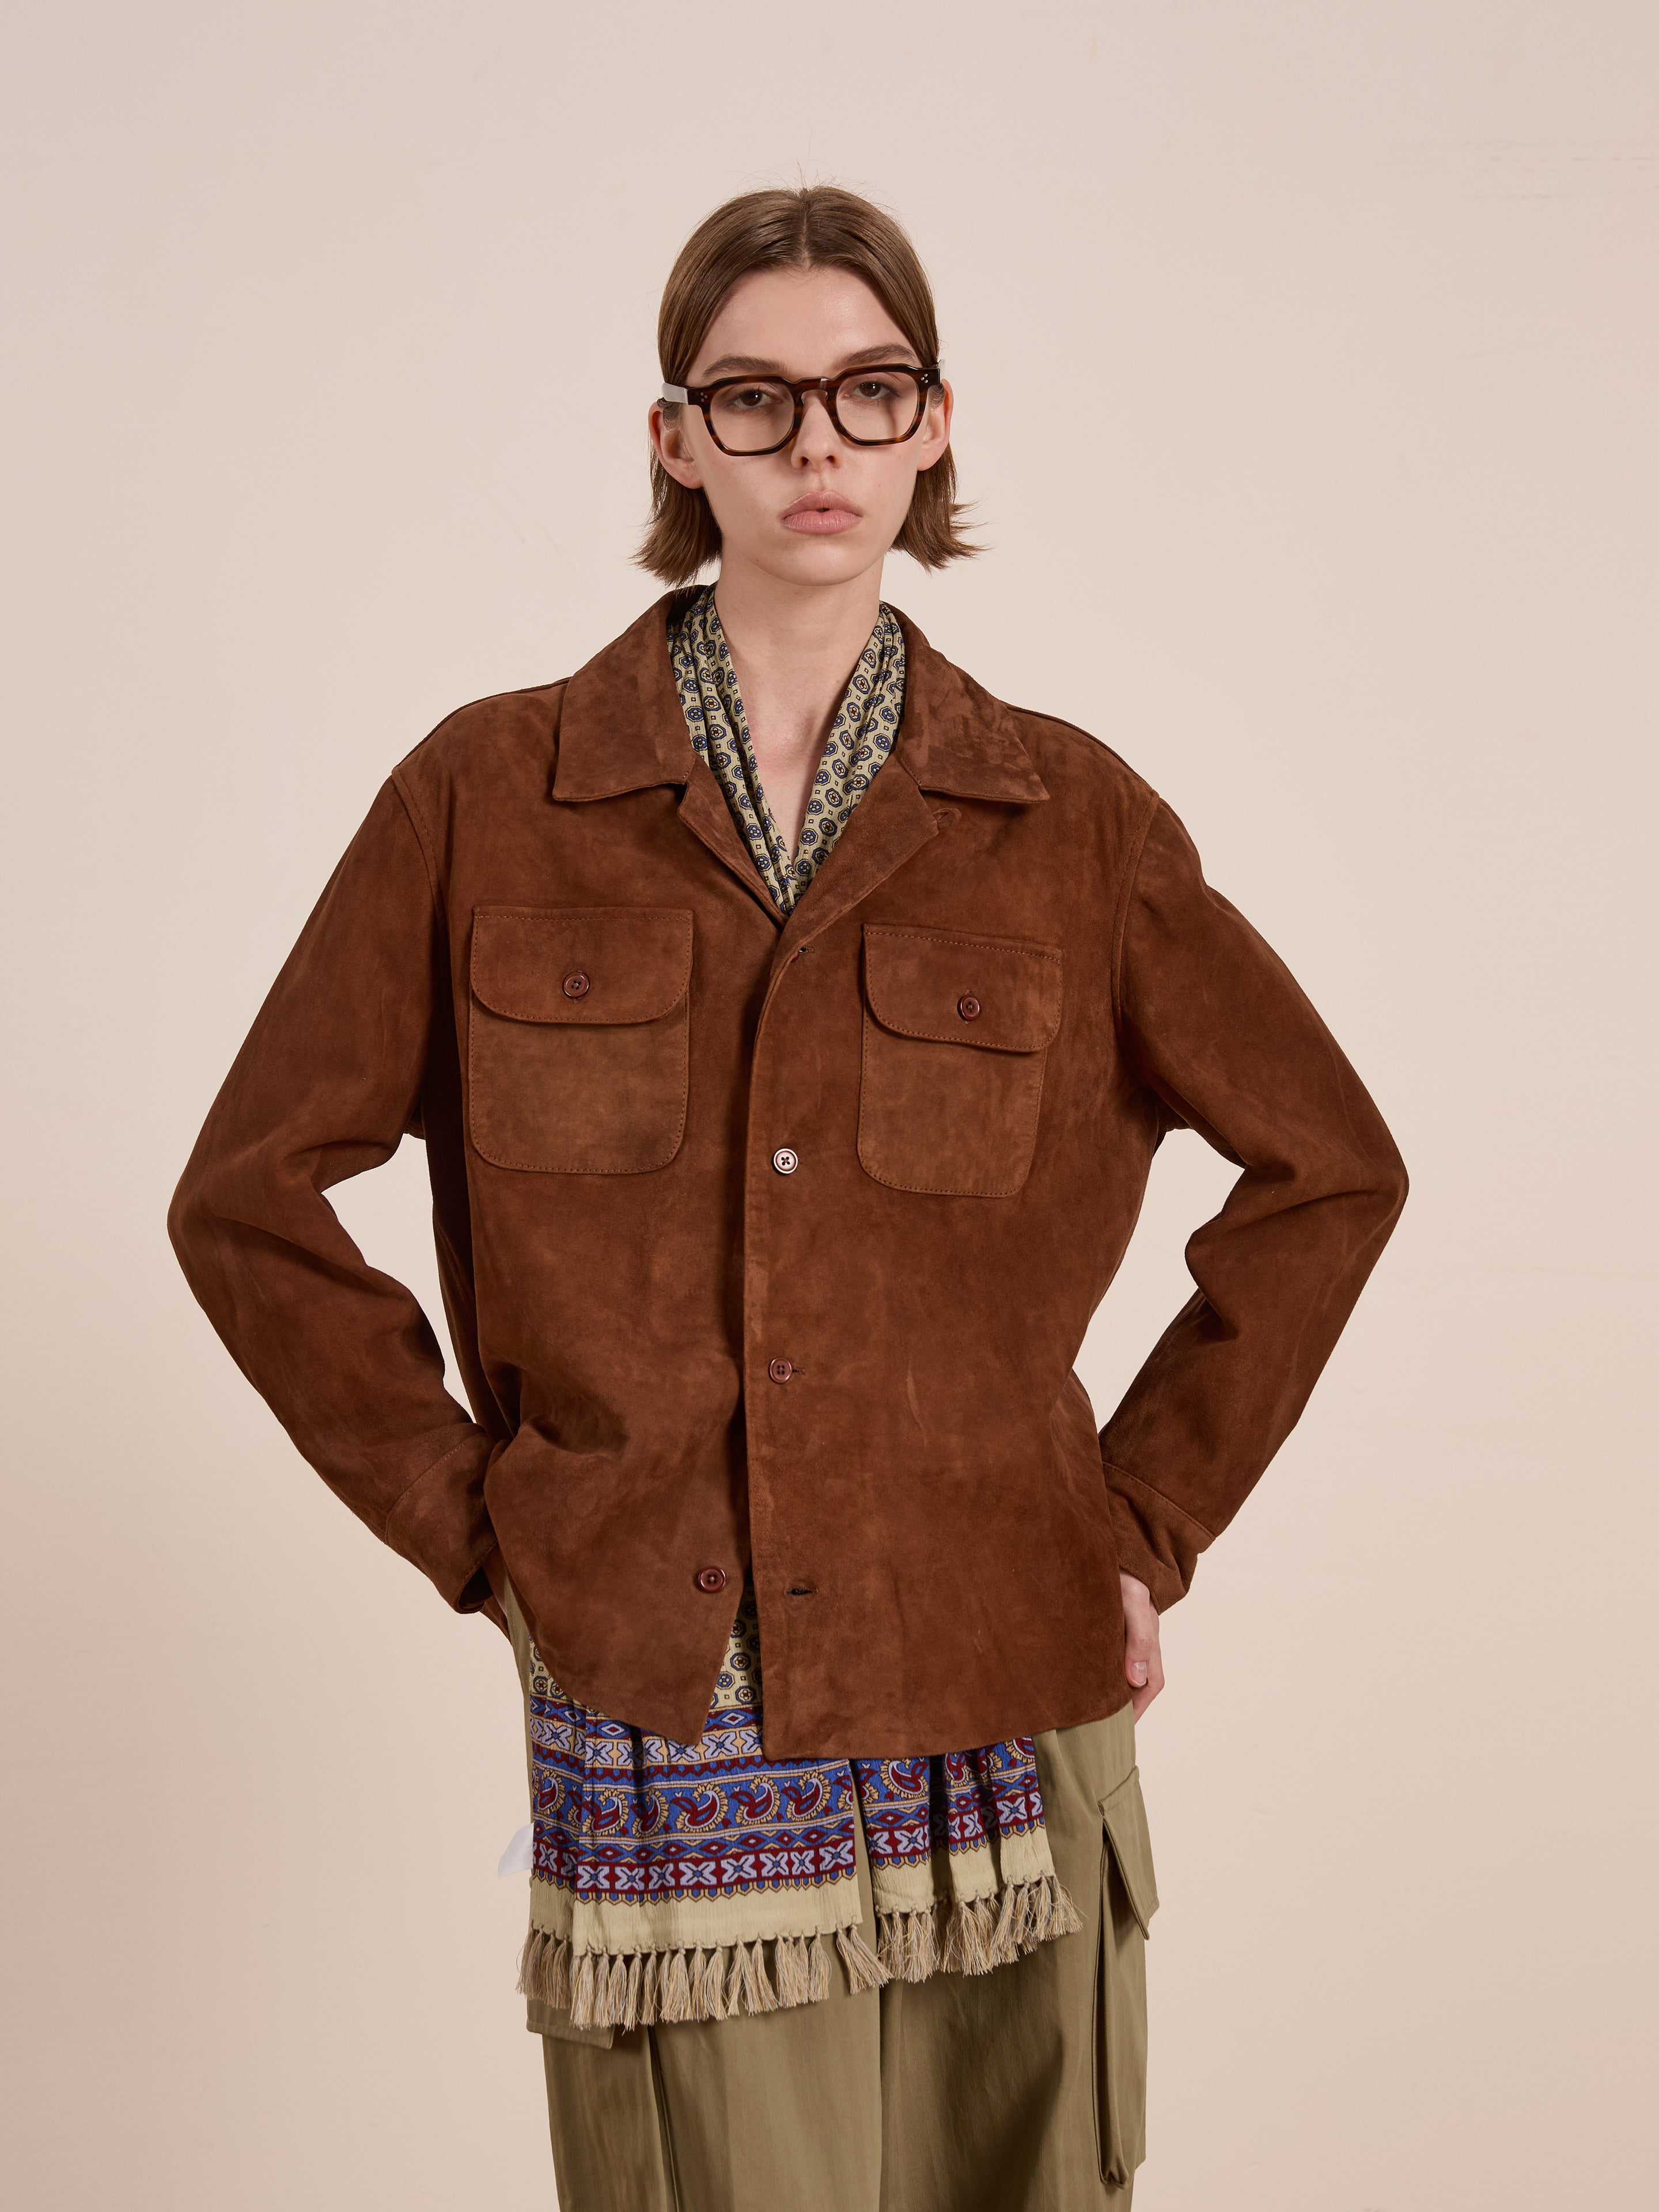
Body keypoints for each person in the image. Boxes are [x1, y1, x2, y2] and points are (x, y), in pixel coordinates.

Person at [169, 184, 1407, 2210]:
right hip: (668, 1693)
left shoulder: (1066, 817)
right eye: (757, 399)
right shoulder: (487, 794)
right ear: (676, 442)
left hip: (1005, 1685)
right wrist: (485, 1525)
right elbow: (248, 1196)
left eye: (867, 390)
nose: (818, 444)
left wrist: (1149, 1520)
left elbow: (1332, 1167)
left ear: (936, 427)